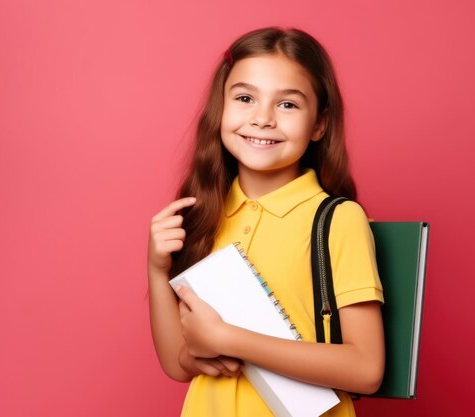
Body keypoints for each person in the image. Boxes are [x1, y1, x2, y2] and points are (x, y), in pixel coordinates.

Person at [147, 27, 384, 417]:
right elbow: (177, 364)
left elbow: (366, 369)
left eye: (287, 105)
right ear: (219, 109)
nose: (262, 119)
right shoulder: (205, 216)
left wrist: (229, 338)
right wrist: (157, 270)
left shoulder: (338, 220)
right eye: (244, 98)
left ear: (319, 124)